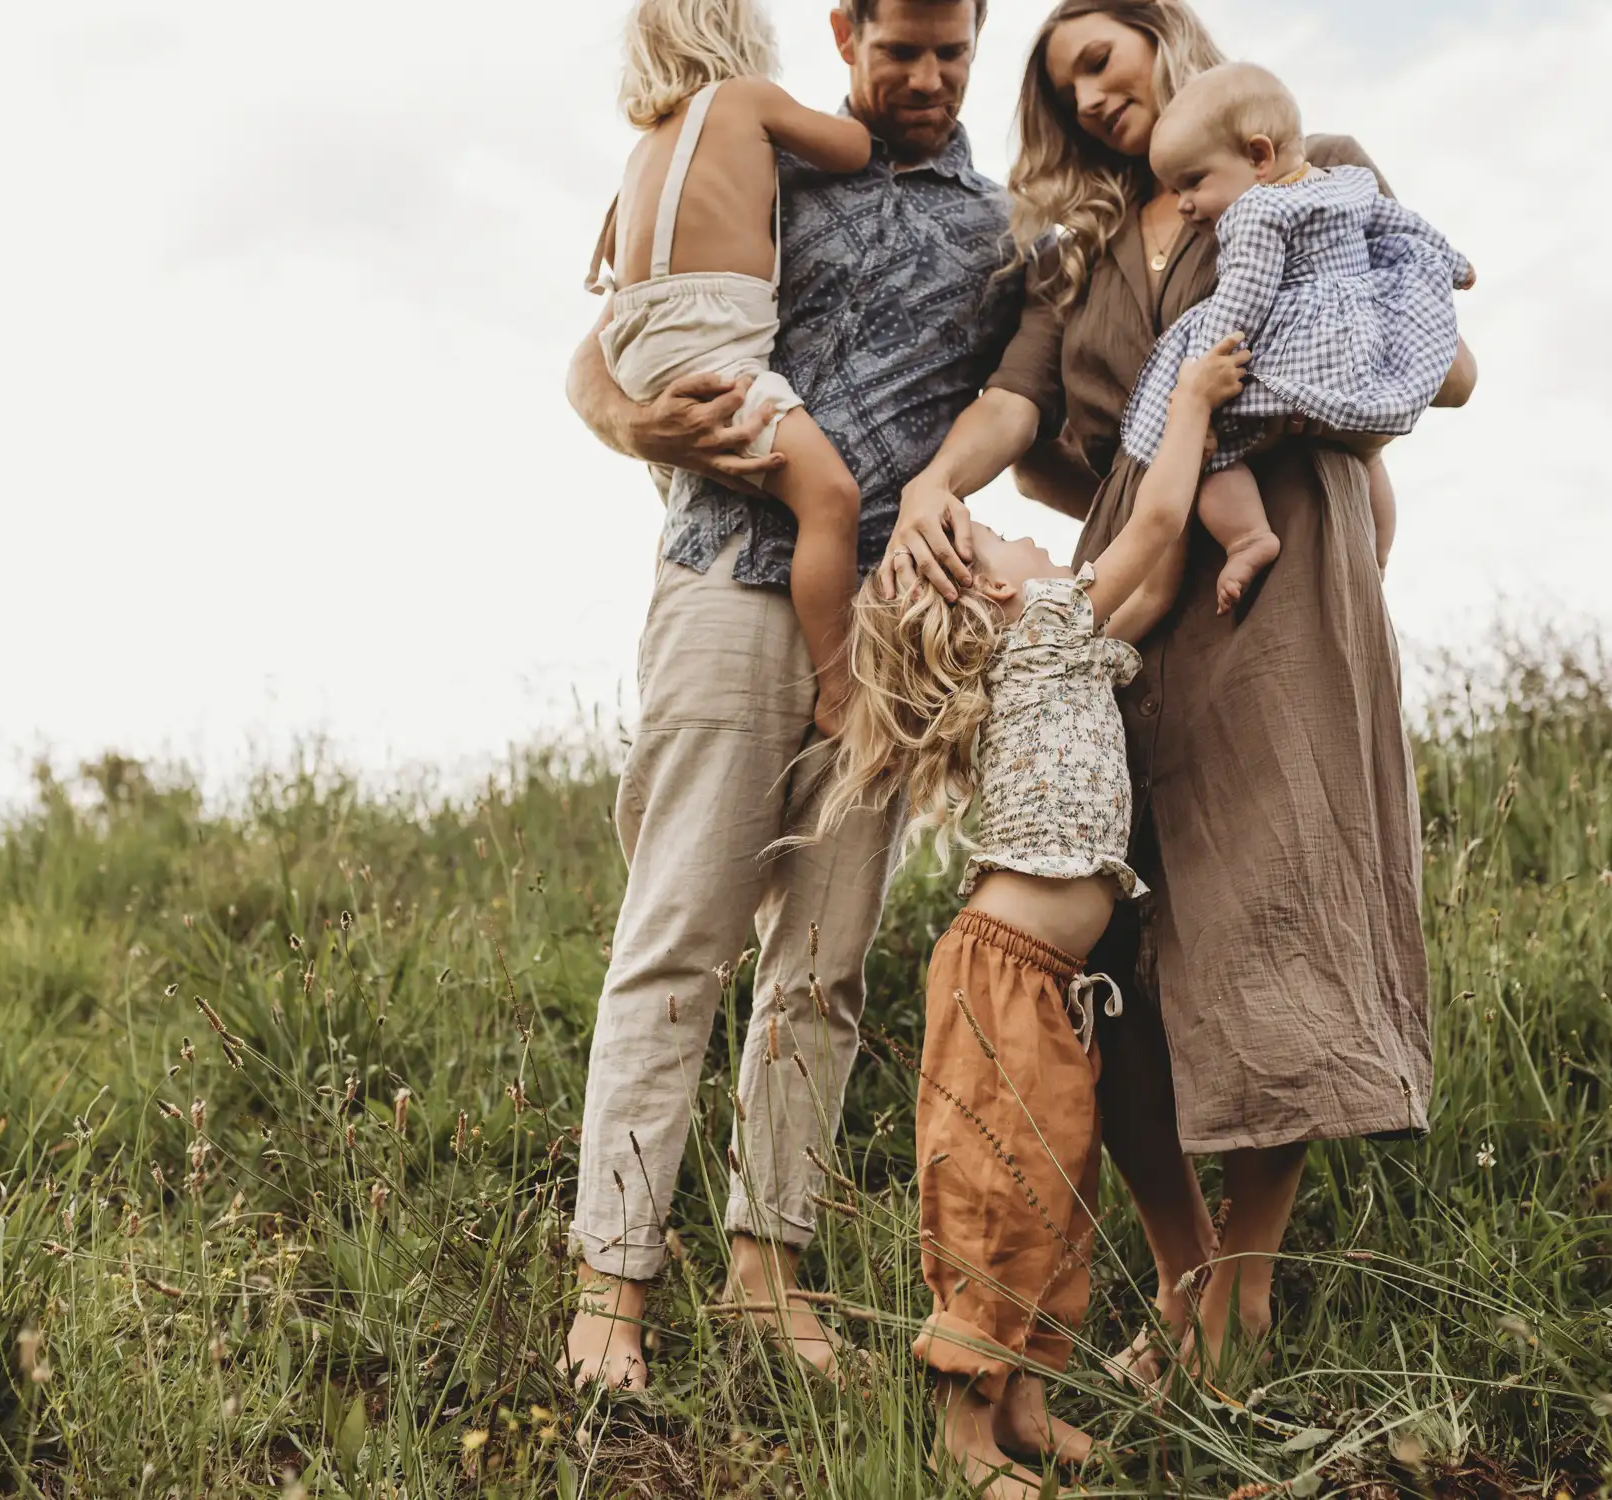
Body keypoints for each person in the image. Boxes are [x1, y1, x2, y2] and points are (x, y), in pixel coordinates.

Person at [883, 0, 1477, 1383]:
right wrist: (932, 481)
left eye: (1102, 56)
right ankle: (1177, 1264)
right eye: (1062, 83)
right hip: (1134, 583)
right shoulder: (1073, 254)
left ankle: (1245, 1291)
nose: (1089, 95)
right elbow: (1018, 411)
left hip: (1277, 582)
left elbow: (1436, 362)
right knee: (1120, 951)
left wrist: (1263, 398)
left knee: (1270, 910)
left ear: (1165, 38)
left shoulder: (1302, 167)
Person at [560, 0, 1020, 1394]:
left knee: (819, 970)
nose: (927, 78)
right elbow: (609, 333)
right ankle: (611, 1288)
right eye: (901, 52)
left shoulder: (994, 233)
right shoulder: (754, 146)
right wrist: (622, 417)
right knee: (677, 937)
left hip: (880, 627)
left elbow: (1028, 404)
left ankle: (770, 1273)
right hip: (718, 582)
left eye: (951, 53)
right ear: (844, 32)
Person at [820, 336, 1250, 1495]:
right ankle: (963, 1440)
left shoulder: (1061, 644)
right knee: (996, 1196)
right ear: (998, 594)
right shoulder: (1042, 635)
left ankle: (1024, 1401)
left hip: (1044, 981)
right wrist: (1196, 407)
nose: (1040, 538)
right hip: (1001, 974)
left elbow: (1149, 585)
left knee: (1057, 1193)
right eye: (1013, 537)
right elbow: (1151, 538)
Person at [587, 0, 876, 728]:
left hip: (637, 348)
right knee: (831, 499)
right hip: (711, 343)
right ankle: (839, 691)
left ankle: (672, 630)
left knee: (692, 491)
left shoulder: (643, 152)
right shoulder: (747, 99)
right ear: (745, 39)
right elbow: (853, 148)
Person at [1124, 61, 1474, 613]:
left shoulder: (1256, 212)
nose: (1183, 203)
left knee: (1212, 456)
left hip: (1299, 351)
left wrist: (1202, 379)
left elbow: (1246, 297)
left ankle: (1247, 537)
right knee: (1369, 458)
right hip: (1357, 341)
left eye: (1193, 182)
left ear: (1258, 157)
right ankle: (1376, 557)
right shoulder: (1342, 184)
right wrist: (1456, 264)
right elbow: (1397, 223)